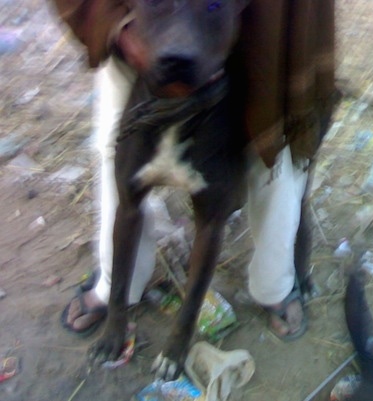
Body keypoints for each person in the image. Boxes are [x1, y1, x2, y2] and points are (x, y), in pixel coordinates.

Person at [56, 0, 337, 342]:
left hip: (270, 17)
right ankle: (116, 285)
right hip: (147, 26)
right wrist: (124, 29)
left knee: (275, 147)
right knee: (120, 149)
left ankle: (275, 282)